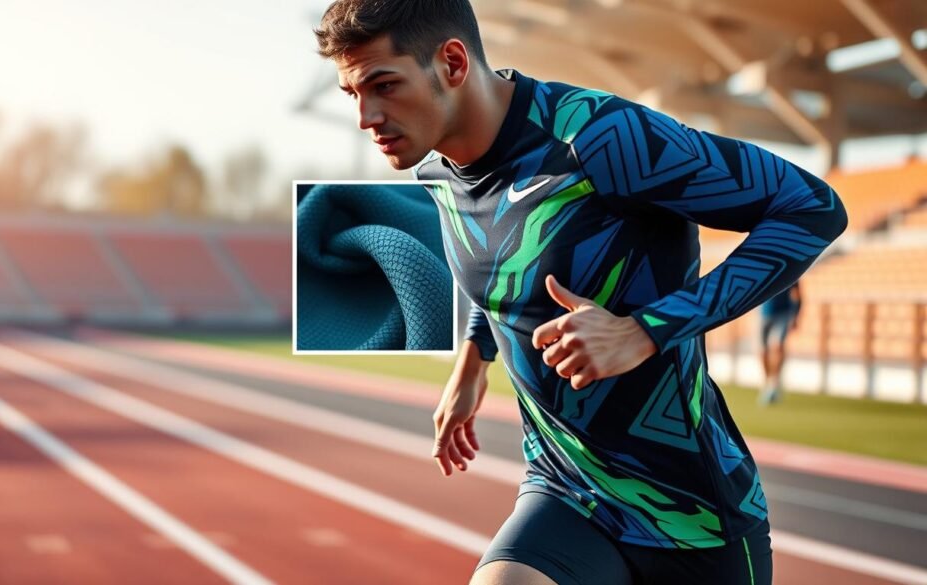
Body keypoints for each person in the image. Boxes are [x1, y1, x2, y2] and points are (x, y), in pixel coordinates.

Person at [315, 2, 847, 583]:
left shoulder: (599, 139)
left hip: (693, 516)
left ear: (452, 62)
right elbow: (498, 267)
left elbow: (813, 207)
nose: (366, 116)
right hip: (565, 490)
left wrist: (645, 330)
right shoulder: (437, 174)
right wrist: (472, 360)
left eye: (383, 85)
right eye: (351, 94)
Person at [758, 281, 802, 405]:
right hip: (764, 314)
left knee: (778, 346)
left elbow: (798, 295)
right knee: (762, 350)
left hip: (783, 314)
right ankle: (767, 383)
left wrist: (795, 316)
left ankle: (774, 383)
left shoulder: (790, 266)